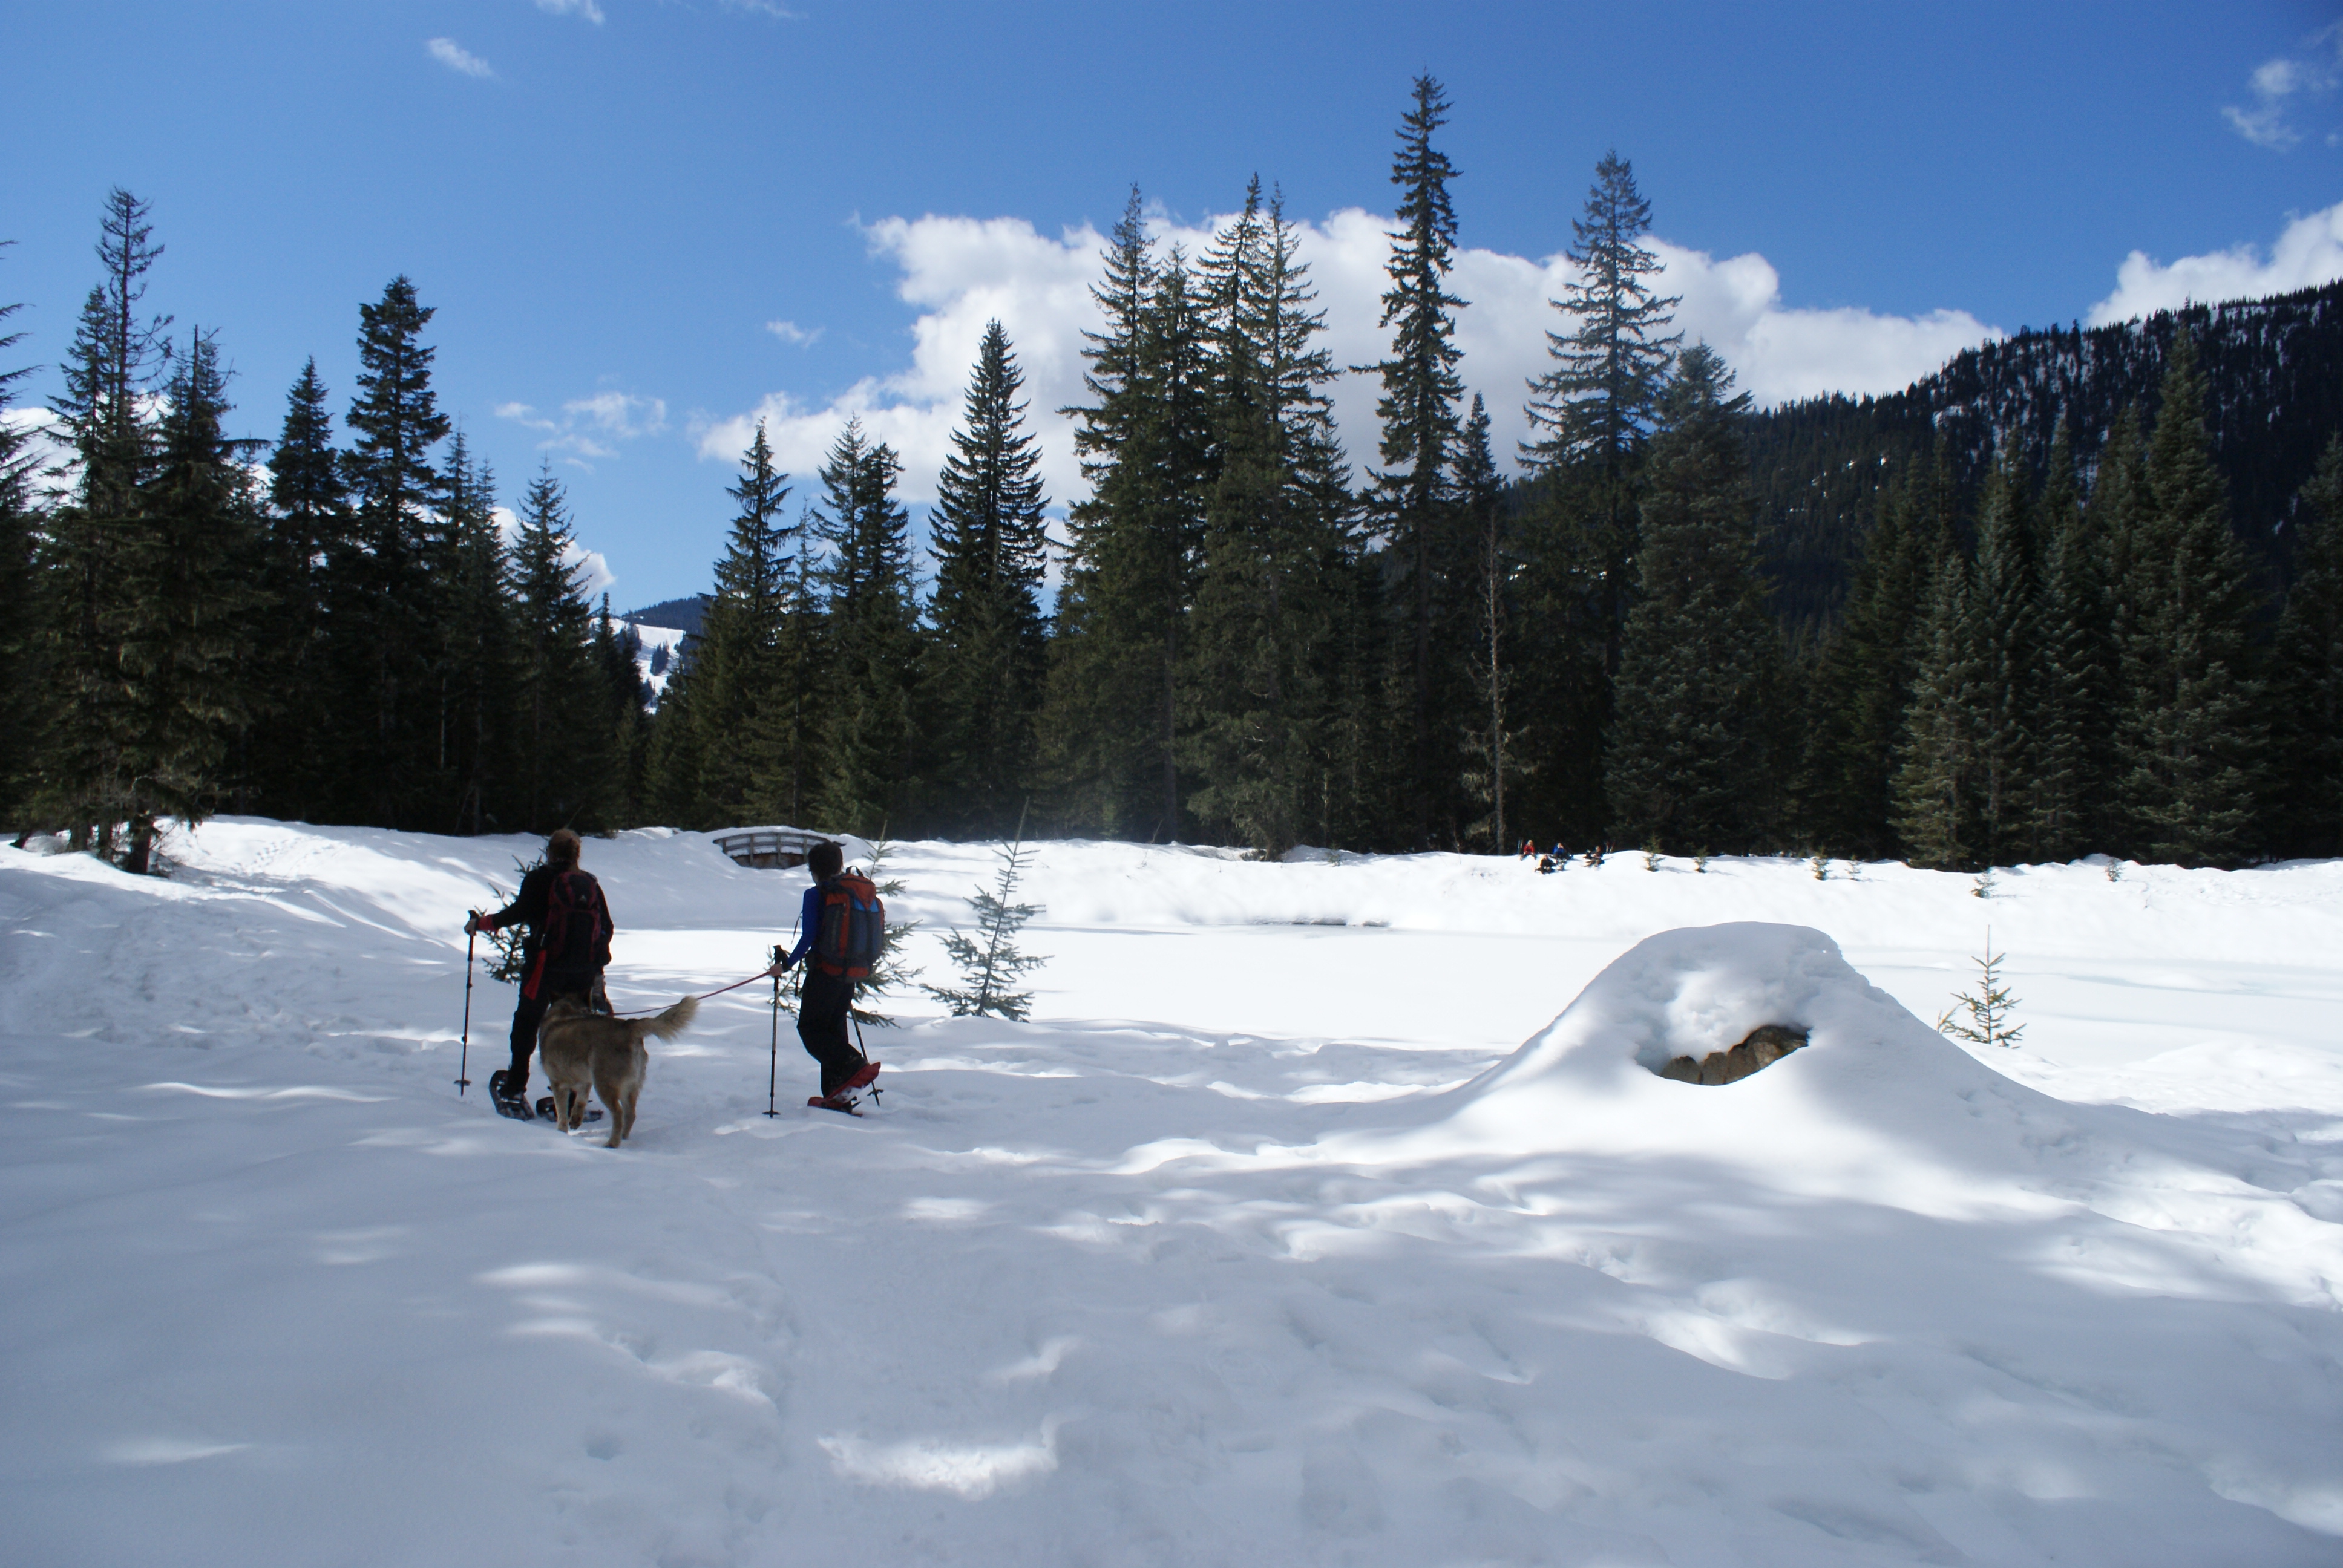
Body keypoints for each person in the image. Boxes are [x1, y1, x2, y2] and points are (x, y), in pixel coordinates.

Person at [466, 828, 615, 1119]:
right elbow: (607, 927)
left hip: (544, 969)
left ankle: (514, 1089)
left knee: (527, 1023)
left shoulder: (539, 880)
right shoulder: (590, 884)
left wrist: (480, 924)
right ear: (577, 855)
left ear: (550, 852)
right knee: (574, 1033)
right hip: (581, 973)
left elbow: (516, 913)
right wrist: (594, 965)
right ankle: (572, 1100)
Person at [765, 840, 879, 1110]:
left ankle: (853, 1064)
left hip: (824, 973)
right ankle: (836, 1095)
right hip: (849, 975)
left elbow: (809, 937)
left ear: (812, 869)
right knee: (833, 1031)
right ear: (839, 864)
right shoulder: (854, 891)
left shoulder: (816, 894)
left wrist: (787, 965)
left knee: (811, 1030)